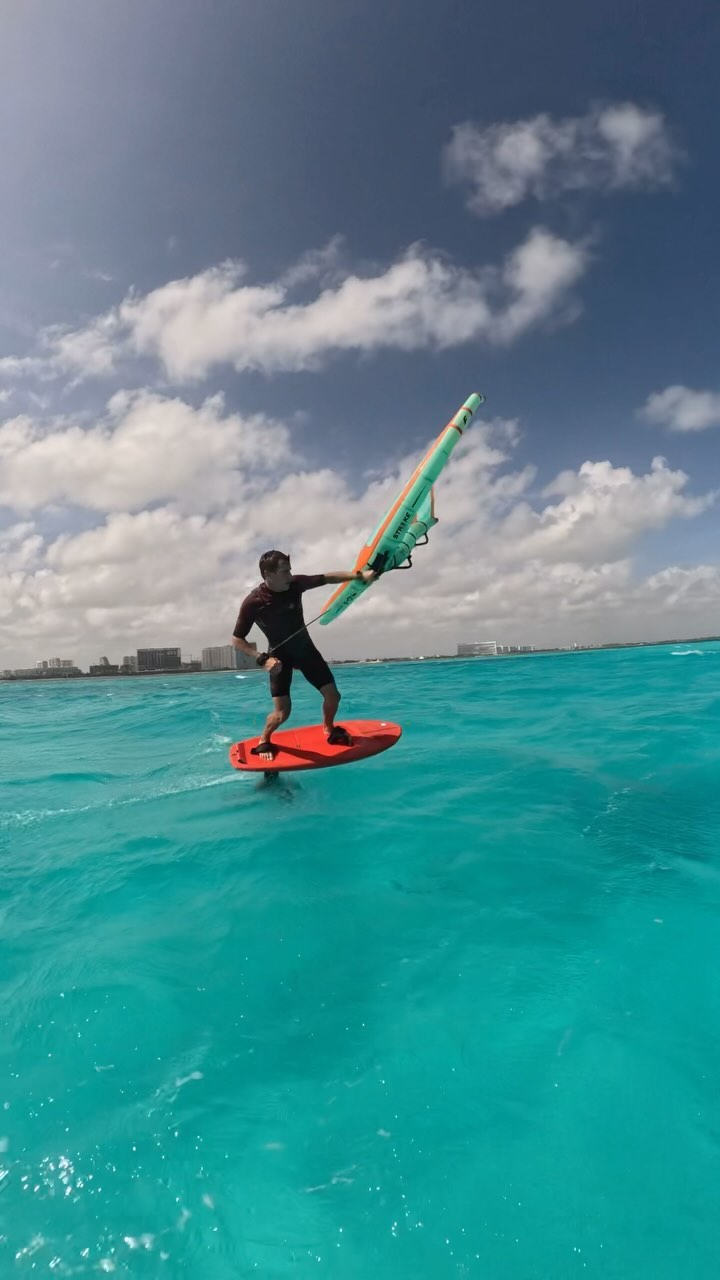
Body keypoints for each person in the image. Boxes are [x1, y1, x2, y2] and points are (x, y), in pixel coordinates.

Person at [231, 550, 376, 761]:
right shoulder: (253, 602)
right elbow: (237, 639)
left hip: (305, 650)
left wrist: (359, 575)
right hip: (279, 658)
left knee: (333, 696)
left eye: (290, 570)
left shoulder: (296, 584)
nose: (290, 576)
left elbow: (326, 578)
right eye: (284, 572)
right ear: (267, 574)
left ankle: (328, 728)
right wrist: (262, 659)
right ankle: (264, 739)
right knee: (282, 713)